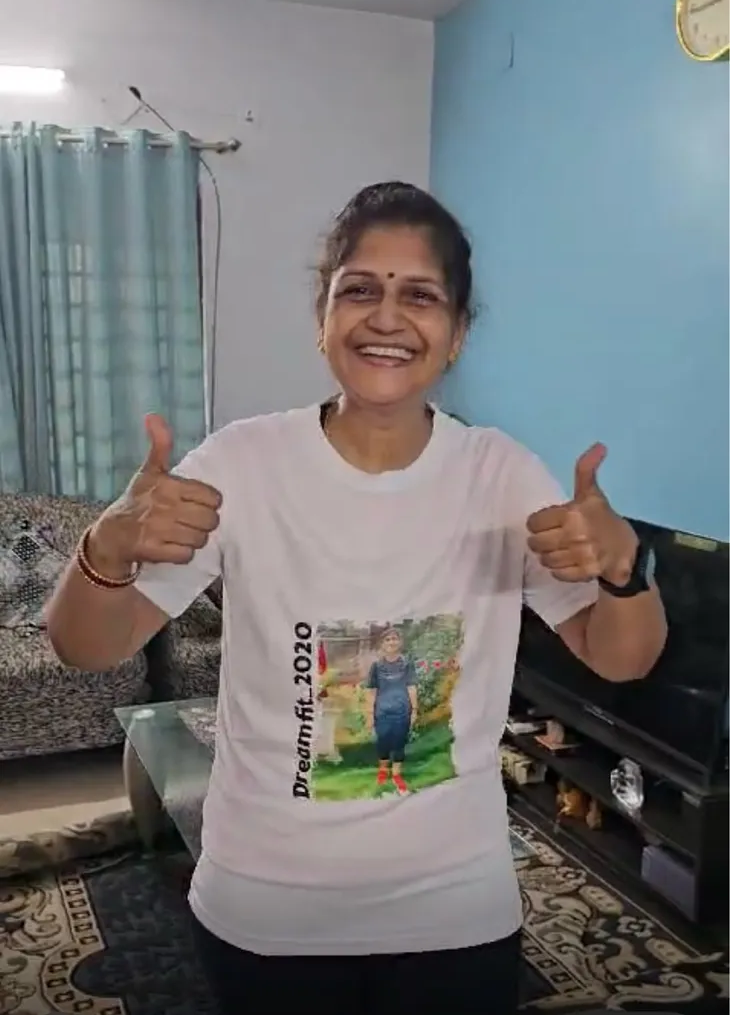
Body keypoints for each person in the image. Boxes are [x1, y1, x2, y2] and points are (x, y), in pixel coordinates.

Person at [46, 181, 667, 1014]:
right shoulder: (243, 461)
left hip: (457, 909)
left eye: (421, 295)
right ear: (322, 316)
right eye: (360, 289)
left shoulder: (501, 473)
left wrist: (624, 570)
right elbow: (86, 645)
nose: (386, 316)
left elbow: (622, 655)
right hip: (265, 908)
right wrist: (105, 546)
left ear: (455, 335)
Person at [365, 627, 418, 794]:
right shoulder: (376, 666)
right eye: (388, 639)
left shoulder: (407, 664)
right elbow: (372, 691)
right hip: (382, 712)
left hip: (402, 711)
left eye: (394, 639)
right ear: (382, 644)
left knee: (399, 744)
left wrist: (414, 709)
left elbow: (411, 687)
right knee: (383, 743)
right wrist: (370, 713)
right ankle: (383, 771)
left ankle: (396, 774)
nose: (391, 642)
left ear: (399, 642)